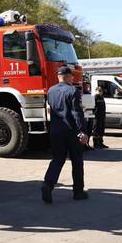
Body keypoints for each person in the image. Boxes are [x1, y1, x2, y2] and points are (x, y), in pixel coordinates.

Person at [42, 66, 89, 203]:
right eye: (72, 76)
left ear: (58, 77)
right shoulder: (73, 91)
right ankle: (78, 192)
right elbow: (77, 113)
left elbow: (51, 110)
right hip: (71, 132)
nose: (73, 78)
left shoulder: (51, 91)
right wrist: (83, 132)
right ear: (68, 77)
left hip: (56, 131)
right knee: (77, 161)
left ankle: (48, 184)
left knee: (57, 159)